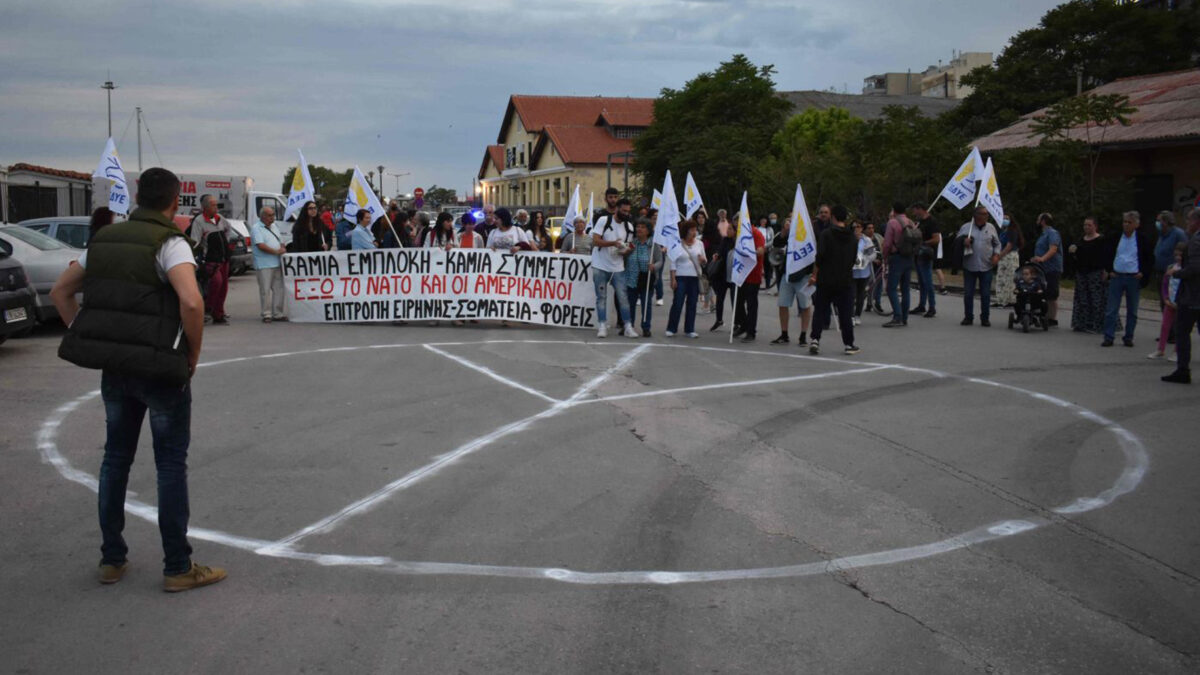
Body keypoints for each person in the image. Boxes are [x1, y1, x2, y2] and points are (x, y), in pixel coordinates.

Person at [49, 167, 226, 592]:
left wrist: (85, 335)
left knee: (115, 459)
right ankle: (177, 566)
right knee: (168, 464)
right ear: (175, 199)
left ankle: (112, 559)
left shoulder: (104, 240)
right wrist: (192, 357)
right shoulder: (170, 243)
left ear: (138, 197)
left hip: (117, 369)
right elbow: (192, 302)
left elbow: (60, 292)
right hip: (160, 369)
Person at [808, 205, 860, 355]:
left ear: (833, 217)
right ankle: (849, 344)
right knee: (845, 313)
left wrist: (815, 274)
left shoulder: (826, 234)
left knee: (820, 310)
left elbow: (820, 257)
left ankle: (815, 340)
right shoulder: (852, 237)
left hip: (826, 278)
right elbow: (853, 259)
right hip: (845, 280)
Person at [1101, 211, 1154, 348]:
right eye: (1124, 222)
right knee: (1112, 309)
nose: (1126, 225)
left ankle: (1129, 336)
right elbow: (1106, 253)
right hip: (1117, 275)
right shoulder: (1115, 237)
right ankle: (1109, 336)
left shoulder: (1142, 239)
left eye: (1129, 222)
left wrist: (1143, 273)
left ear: (1136, 224)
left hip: (1133, 277)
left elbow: (1149, 258)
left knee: (1132, 310)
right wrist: (1109, 270)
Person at [1163, 208, 1200, 384]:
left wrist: (1176, 273)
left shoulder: (1195, 241)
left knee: (1182, 331)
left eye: (1189, 221)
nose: (1187, 224)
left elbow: (1194, 268)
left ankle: (1183, 370)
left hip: (1192, 295)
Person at [591, 198, 637, 338]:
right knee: (601, 297)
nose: (626, 214)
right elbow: (595, 241)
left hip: (618, 266)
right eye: (623, 210)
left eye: (628, 211)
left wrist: (627, 250)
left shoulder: (629, 226)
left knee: (623, 297)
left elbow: (627, 247)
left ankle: (628, 326)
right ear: (616, 208)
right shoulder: (604, 220)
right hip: (600, 265)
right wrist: (613, 243)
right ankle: (602, 325)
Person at [769, 216, 815, 346]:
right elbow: (776, 244)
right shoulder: (785, 236)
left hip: (804, 276)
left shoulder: (808, 235)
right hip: (787, 276)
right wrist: (785, 231)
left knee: (805, 306)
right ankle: (784, 334)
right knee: (783, 304)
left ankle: (803, 335)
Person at [189, 194, 232, 325]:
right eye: (213, 205)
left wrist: (226, 242)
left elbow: (228, 229)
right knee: (216, 283)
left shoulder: (220, 219)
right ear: (205, 207)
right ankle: (207, 309)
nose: (216, 207)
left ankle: (218, 314)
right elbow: (195, 240)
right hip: (211, 260)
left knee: (223, 287)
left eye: (216, 204)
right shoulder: (199, 221)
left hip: (224, 258)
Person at [957, 206, 1002, 326]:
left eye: (987, 214)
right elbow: (956, 242)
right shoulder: (967, 227)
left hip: (986, 265)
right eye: (983, 214)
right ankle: (968, 317)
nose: (985, 216)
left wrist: (996, 255)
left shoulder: (991, 227)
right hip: (969, 265)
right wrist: (963, 242)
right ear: (976, 215)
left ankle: (985, 318)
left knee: (986, 294)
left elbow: (997, 244)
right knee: (968, 294)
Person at [665, 219, 707, 338]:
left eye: (695, 229)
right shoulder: (677, 243)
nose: (694, 232)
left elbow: (705, 260)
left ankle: (689, 329)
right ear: (686, 231)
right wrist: (673, 279)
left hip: (695, 277)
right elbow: (673, 262)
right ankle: (671, 328)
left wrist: (703, 261)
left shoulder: (699, 243)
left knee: (692, 303)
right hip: (681, 276)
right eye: (692, 230)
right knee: (677, 303)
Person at [882, 202, 919, 327]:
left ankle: (897, 316)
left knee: (891, 288)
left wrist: (885, 257)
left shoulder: (892, 223)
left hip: (897, 257)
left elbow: (887, 243)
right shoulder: (911, 222)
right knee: (905, 289)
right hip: (909, 257)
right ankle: (904, 317)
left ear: (894, 210)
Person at [1068, 216, 1107, 334]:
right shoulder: (1081, 240)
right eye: (1085, 225)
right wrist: (1073, 252)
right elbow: (1076, 256)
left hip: (1095, 272)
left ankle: (1096, 324)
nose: (1086, 227)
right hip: (1081, 271)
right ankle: (1081, 323)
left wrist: (1106, 270)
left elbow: (1106, 256)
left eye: (1089, 225)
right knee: (1081, 299)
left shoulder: (1101, 239)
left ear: (1095, 226)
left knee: (1096, 299)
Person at [625, 218, 663, 337]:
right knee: (630, 304)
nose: (639, 229)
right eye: (637, 227)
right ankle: (629, 326)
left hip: (647, 278)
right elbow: (624, 256)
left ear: (648, 230)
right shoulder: (632, 242)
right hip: (632, 278)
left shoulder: (653, 244)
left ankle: (646, 327)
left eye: (642, 227)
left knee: (646, 304)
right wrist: (626, 251)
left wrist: (654, 266)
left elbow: (660, 261)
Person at [732, 216, 767, 343]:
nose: (735, 226)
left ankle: (751, 331)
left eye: (737, 224)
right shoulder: (740, 234)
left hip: (753, 273)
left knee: (751, 304)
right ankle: (744, 325)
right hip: (741, 273)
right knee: (738, 301)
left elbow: (761, 251)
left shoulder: (756, 233)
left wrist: (747, 251)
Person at [1150, 242, 1186, 360]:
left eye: (1181, 255)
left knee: (1179, 328)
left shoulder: (1186, 270)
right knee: (1165, 325)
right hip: (1169, 301)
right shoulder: (1171, 267)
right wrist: (1165, 298)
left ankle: (1177, 351)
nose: (1178, 257)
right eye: (1176, 255)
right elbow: (1165, 283)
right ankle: (1160, 349)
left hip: (1180, 303)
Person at [250, 206, 287, 322]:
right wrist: (276, 251)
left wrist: (282, 248)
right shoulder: (257, 228)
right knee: (265, 290)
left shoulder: (274, 226)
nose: (273, 218)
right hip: (263, 264)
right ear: (263, 216)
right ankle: (266, 314)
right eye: (270, 215)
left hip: (276, 262)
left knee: (279, 289)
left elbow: (280, 241)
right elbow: (260, 245)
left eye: (273, 215)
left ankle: (278, 313)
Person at [1029, 213, 1063, 326]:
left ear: (1043, 221)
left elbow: (1053, 249)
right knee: (1042, 292)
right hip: (1041, 268)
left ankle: (1052, 318)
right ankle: (1044, 316)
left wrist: (1042, 259)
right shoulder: (1043, 234)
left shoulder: (1052, 233)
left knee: (1052, 294)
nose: (1037, 221)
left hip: (1052, 268)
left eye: (1038, 219)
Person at [910, 202, 940, 318]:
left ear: (920, 209)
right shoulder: (920, 222)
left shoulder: (932, 221)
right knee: (921, 282)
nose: (914, 213)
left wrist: (923, 243)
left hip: (926, 254)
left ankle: (932, 307)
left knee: (927, 282)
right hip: (918, 254)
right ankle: (921, 305)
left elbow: (936, 239)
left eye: (915, 210)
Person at [1154, 210, 1187, 310]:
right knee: (1163, 302)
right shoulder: (1161, 234)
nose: (1157, 223)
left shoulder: (1178, 234)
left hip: (1173, 275)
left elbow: (1184, 251)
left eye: (1159, 221)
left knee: (1171, 303)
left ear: (1166, 222)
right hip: (1161, 274)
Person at [709, 215, 737, 332]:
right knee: (720, 298)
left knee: (734, 301)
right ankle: (719, 320)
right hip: (723, 275)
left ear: (736, 231)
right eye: (728, 228)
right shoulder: (725, 240)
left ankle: (737, 323)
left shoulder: (740, 242)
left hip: (735, 276)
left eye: (730, 229)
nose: (728, 230)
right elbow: (720, 251)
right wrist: (716, 255)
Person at [992, 213, 1026, 308]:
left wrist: (999, 256)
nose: (1005, 220)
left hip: (1009, 256)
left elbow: (1009, 245)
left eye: (1007, 218)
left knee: (1009, 278)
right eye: (1003, 218)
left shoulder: (1012, 231)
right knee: (1001, 278)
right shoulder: (1003, 231)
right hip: (1003, 257)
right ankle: (1000, 299)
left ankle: (1008, 300)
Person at [851, 221, 875, 324]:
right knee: (851, 294)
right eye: (854, 227)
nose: (856, 228)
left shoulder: (867, 240)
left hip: (864, 272)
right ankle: (850, 315)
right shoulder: (848, 239)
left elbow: (873, 254)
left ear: (862, 228)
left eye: (859, 226)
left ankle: (857, 315)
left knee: (861, 295)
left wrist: (867, 260)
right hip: (851, 272)